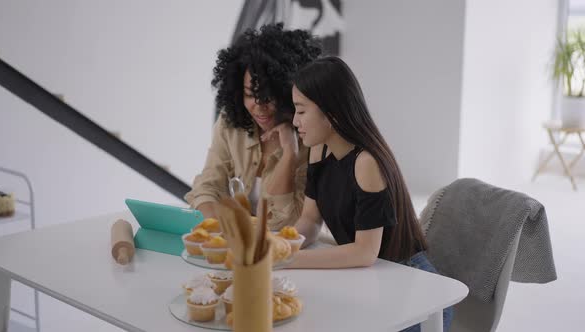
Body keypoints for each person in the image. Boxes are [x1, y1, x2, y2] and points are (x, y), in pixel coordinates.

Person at [287, 56, 453, 331]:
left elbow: (364, 252)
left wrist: (289, 260)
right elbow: (309, 220)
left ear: (331, 113)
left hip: (412, 286)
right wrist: (280, 245)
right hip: (372, 280)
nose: (295, 120)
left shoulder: (367, 162)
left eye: (301, 111)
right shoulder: (319, 149)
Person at [185, 24, 322, 230]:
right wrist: (216, 228)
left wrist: (289, 156)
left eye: (267, 98)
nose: (259, 108)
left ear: (288, 94)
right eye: (250, 95)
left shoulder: (312, 140)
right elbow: (208, 186)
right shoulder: (230, 123)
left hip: (287, 252)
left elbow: (289, 223)